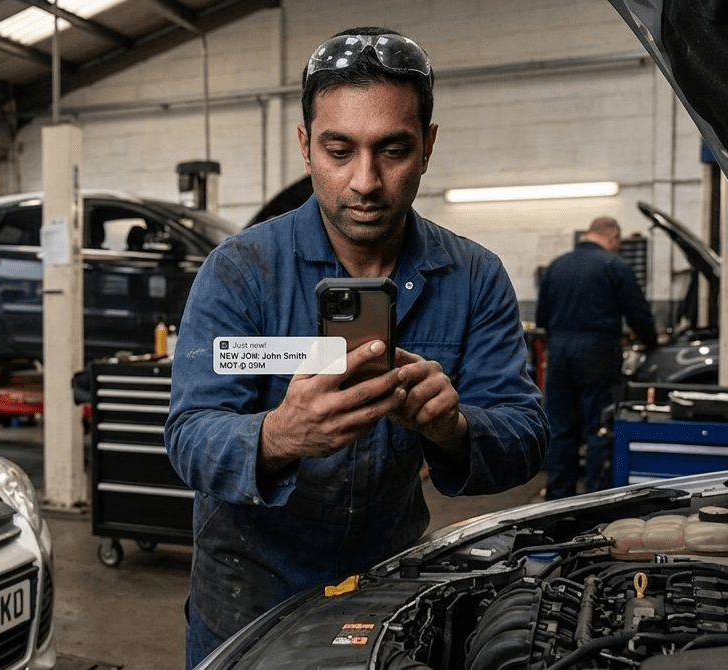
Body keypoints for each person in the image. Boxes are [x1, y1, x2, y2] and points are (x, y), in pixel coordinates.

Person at [164, 27, 549, 668]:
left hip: (389, 592)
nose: (365, 182)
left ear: (427, 145)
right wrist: (277, 437)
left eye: (392, 150)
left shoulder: (474, 277)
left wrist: (454, 429)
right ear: (305, 146)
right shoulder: (240, 272)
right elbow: (189, 436)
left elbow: (526, 434)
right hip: (247, 600)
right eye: (339, 150)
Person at [535, 216, 656, 500]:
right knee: (597, 428)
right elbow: (637, 312)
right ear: (613, 238)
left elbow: (541, 317)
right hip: (598, 354)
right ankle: (593, 499)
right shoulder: (614, 265)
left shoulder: (556, 265)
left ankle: (556, 499)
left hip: (560, 352)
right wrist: (652, 341)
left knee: (561, 429)